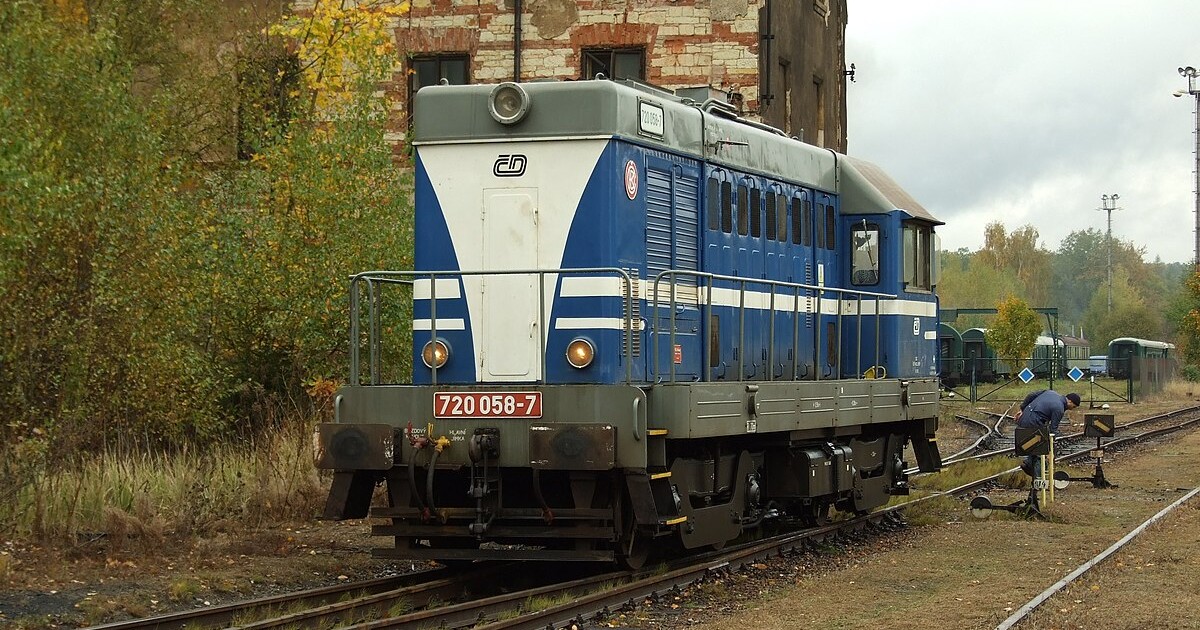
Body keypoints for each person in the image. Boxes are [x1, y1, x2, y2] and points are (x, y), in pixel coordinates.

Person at [1015, 390, 1080, 478]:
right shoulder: (1059, 408)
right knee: (1041, 453)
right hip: (1034, 424)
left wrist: (1023, 409)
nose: (1073, 408)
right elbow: (1053, 430)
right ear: (1070, 401)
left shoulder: (1050, 392)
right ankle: (1038, 480)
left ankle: (1028, 463)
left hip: (1023, 420)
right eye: (1074, 406)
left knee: (1035, 449)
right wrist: (1050, 450)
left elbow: (1031, 394)